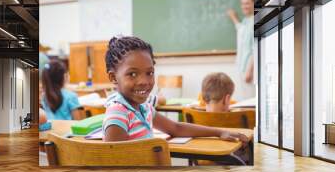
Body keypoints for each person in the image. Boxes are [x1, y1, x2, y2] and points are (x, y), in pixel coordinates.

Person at [102, 36, 248, 144]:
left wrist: (220, 132)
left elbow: (176, 128)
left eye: (149, 73)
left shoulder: (143, 108)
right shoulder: (118, 113)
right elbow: (114, 164)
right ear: (113, 77)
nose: (144, 82)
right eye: (132, 74)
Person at [227, 0, 255, 100]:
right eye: (242, 4)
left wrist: (249, 71)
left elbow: (254, 48)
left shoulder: (254, 21)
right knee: (245, 98)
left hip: (249, 68)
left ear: (254, 4)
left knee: (250, 100)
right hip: (242, 66)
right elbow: (241, 30)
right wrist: (233, 17)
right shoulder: (246, 21)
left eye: (247, 3)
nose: (244, 6)